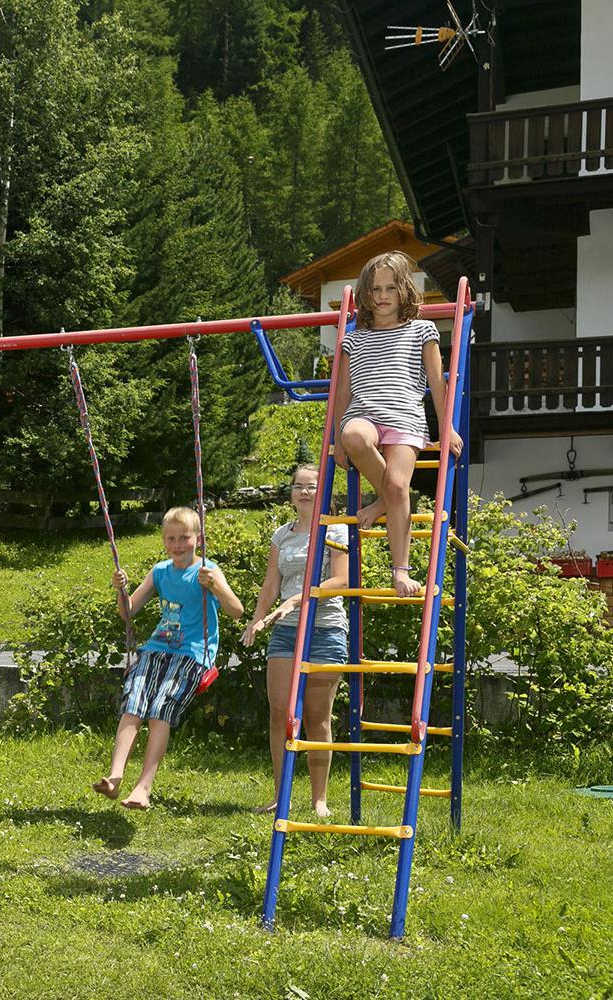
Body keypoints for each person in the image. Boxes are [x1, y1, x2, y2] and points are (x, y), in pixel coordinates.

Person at [92, 506, 244, 809]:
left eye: (184, 537)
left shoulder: (208, 571)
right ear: (163, 541)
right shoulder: (160, 571)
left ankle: (143, 788)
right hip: (157, 648)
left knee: (161, 709)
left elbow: (236, 611)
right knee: (133, 702)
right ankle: (115, 776)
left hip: (193, 653)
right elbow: (128, 612)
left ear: (198, 538)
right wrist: (120, 591)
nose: (177, 544)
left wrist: (214, 586)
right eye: (171, 539)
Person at [334, 250, 462, 597]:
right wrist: (335, 439)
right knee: (353, 436)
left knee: (395, 484)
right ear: (365, 294)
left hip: (406, 420)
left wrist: (446, 427)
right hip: (365, 414)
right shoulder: (353, 338)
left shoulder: (422, 331)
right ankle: (389, 500)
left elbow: (438, 384)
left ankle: (400, 570)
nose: (383, 296)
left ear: (404, 290)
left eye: (390, 288)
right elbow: (342, 393)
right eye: (375, 289)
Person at [241, 463, 351, 817]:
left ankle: (319, 799)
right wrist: (257, 620)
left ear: (324, 493)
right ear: (291, 494)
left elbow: (341, 581)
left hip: (325, 630)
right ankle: (280, 795)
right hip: (286, 632)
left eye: (311, 486)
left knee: (318, 718)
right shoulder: (282, 535)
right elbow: (270, 584)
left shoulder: (334, 530)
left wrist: (296, 599)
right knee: (280, 715)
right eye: (298, 486)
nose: (304, 491)